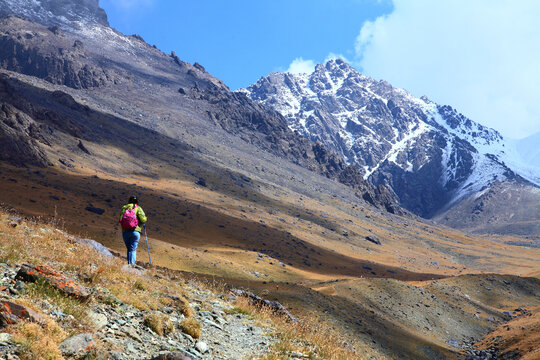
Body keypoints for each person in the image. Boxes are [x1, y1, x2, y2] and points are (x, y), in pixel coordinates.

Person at [119, 196, 147, 265]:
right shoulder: (138, 208)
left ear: (129, 201)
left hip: (125, 232)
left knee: (129, 249)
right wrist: (145, 218)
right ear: (136, 202)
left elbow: (120, 219)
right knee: (133, 249)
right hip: (135, 231)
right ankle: (132, 264)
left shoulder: (124, 208)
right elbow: (143, 220)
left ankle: (129, 264)